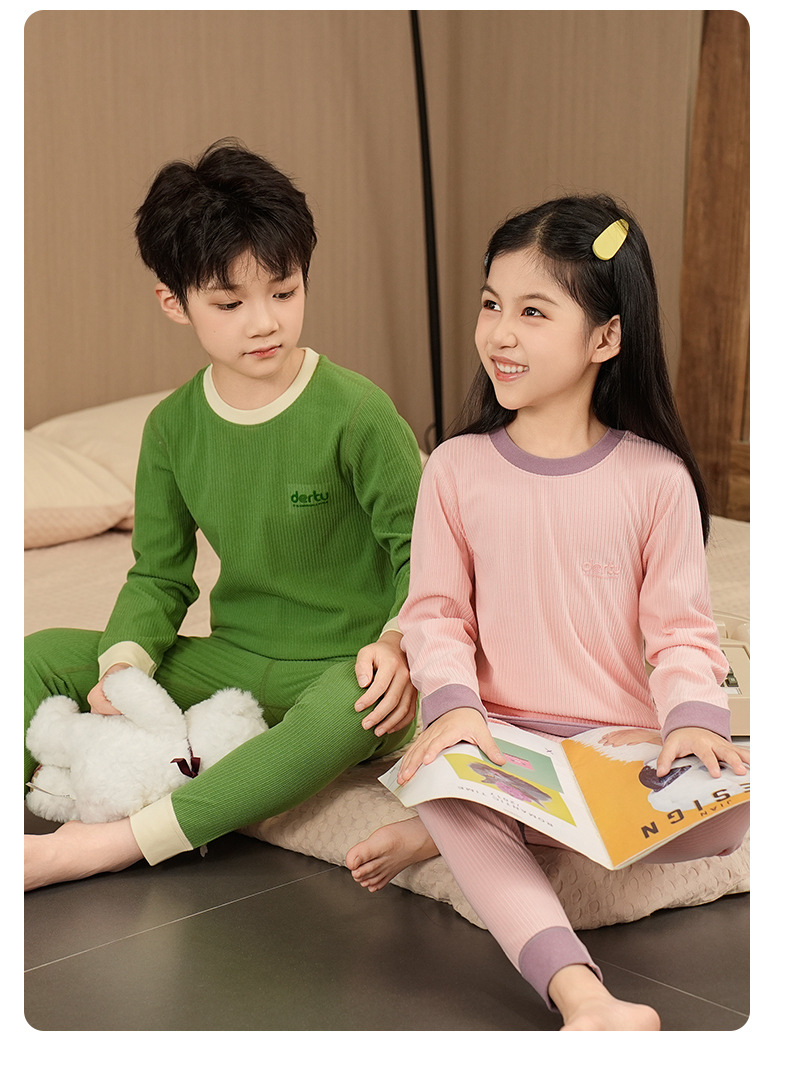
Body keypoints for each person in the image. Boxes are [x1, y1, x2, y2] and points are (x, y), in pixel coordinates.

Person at [346, 195, 750, 1031]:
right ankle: (583, 997)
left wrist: (690, 721)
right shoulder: (455, 468)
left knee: (734, 814)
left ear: (605, 337)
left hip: (614, 749)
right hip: (502, 740)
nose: (500, 333)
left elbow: (681, 631)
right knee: (444, 780)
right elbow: (434, 614)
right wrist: (454, 707)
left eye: (533, 312)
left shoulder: (657, 480)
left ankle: (476, 832)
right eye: (491, 304)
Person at [25, 138, 422, 889]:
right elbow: (159, 575)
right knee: (40, 654)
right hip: (233, 659)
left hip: (350, 666)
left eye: (284, 291)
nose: (264, 322)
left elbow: (424, 554)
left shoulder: (359, 413)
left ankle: (109, 844)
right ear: (174, 303)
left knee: (354, 708)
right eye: (230, 303)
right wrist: (123, 667)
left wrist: (398, 644)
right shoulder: (171, 427)